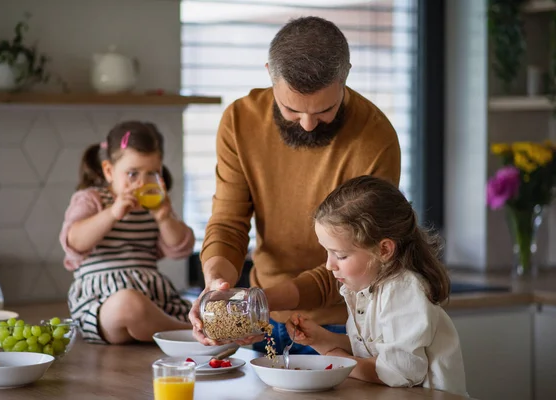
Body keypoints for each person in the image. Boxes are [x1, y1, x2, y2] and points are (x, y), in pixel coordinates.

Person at [189, 15, 401, 355]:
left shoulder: (376, 140)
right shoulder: (239, 121)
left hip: (343, 324)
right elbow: (228, 222)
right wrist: (216, 286)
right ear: (269, 73)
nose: (307, 124)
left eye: (324, 110)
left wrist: (261, 299)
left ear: (345, 75)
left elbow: (361, 256)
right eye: (292, 109)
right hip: (263, 321)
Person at [285, 176, 467, 396]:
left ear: (383, 250)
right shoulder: (363, 289)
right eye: (327, 252)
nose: (328, 265)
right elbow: (373, 351)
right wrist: (323, 340)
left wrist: (341, 362)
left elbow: (399, 372)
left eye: (340, 255)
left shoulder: (403, 290)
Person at [60, 121, 195, 344]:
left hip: (152, 299)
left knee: (195, 305)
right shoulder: (93, 199)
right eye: (133, 174)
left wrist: (164, 218)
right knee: (128, 304)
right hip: (104, 305)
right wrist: (112, 213)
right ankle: (186, 334)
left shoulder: (155, 206)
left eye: (152, 173)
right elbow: (75, 241)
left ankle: (173, 330)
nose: (142, 183)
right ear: (109, 171)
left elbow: (181, 248)